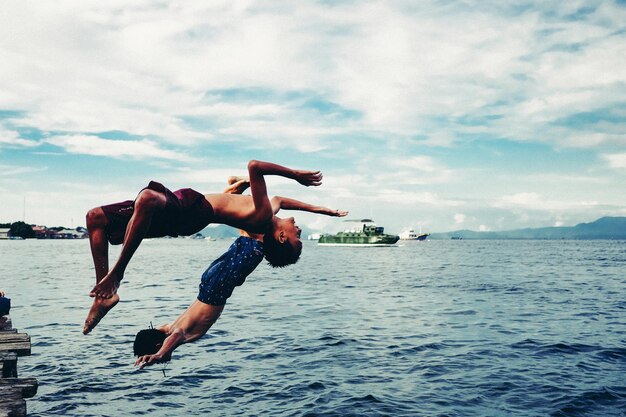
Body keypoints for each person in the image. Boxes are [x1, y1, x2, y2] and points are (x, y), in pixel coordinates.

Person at [83, 160, 347, 335]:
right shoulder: (269, 211)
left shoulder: (264, 216)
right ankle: (103, 296)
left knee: (148, 198)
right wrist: (322, 209)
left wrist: (295, 175)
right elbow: (282, 200)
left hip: (192, 212)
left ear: (280, 237)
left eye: (296, 237)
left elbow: (255, 166)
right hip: (185, 210)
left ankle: (116, 275)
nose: (298, 229)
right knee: (96, 218)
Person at [133, 177, 346, 369]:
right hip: (209, 283)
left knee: (260, 240)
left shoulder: (179, 332)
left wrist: (161, 354)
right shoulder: (170, 327)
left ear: (158, 343)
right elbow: (164, 335)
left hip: (217, 288)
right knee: (251, 230)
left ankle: (239, 199)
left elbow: (172, 340)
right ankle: (235, 197)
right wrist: (156, 350)